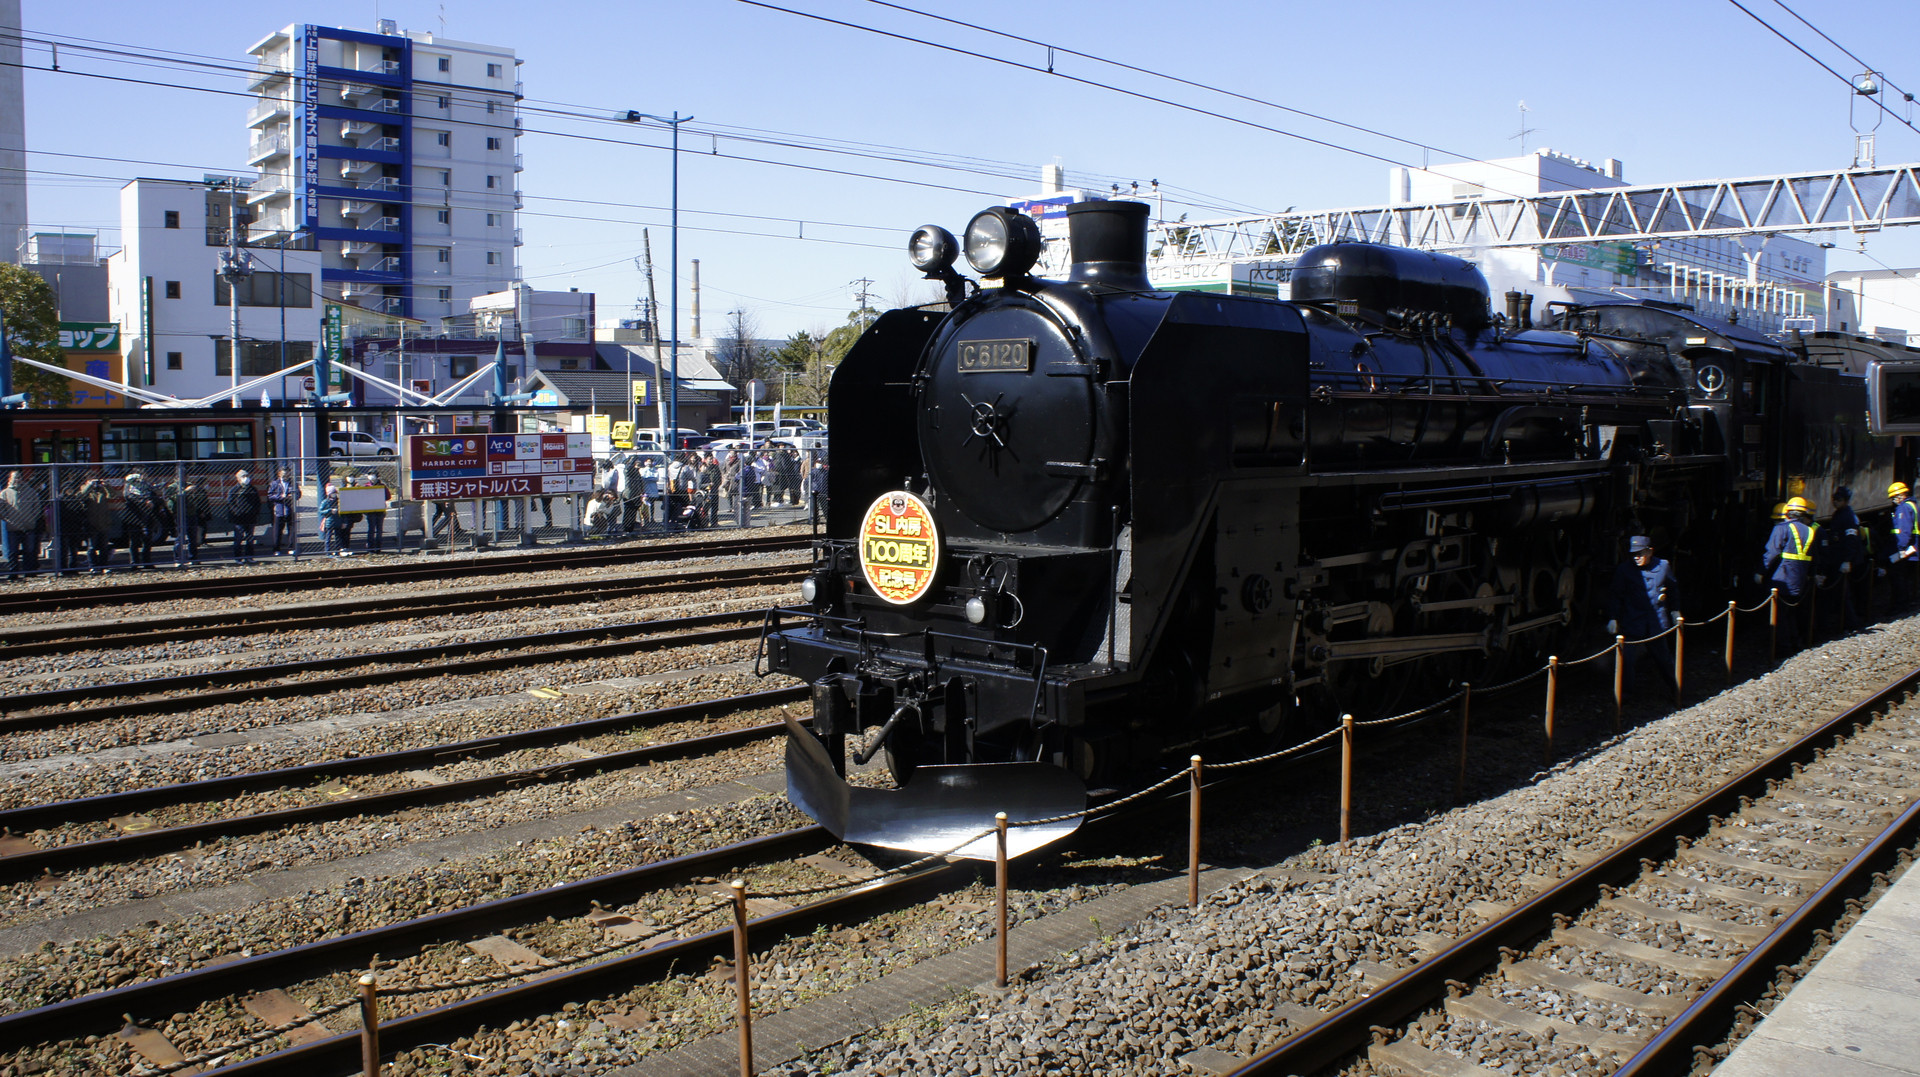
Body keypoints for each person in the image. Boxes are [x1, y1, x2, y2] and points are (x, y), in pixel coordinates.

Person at [1607, 535, 1678, 697]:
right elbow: (1616, 595)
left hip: (1655, 623)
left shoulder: (1663, 566)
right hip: (1632, 621)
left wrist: (1675, 610)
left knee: (1664, 660)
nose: (1636, 557)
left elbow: (1673, 589)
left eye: (1640, 554)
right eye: (1633, 554)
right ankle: (1625, 695)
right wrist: (1613, 617)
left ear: (1650, 552)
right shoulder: (1624, 570)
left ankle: (1675, 689)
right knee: (1627, 661)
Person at [1760, 495, 1820, 648]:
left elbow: (1772, 552)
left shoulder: (1781, 528)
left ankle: (1782, 647)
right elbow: (1815, 558)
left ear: (1787, 513)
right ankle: (1795, 642)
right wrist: (1810, 575)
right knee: (1791, 613)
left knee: (1779, 615)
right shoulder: (1810, 531)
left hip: (1781, 579)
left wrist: (1760, 572)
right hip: (1799, 580)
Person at [1819, 486, 1867, 630]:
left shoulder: (1847, 516)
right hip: (1837, 558)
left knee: (1843, 594)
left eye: (1838, 499)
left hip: (1842, 559)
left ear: (1845, 501)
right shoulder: (1839, 514)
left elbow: (1851, 540)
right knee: (1840, 593)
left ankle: (1851, 623)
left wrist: (1847, 560)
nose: (1835, 502)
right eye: (1834, 499)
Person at [0, 470, 44, 578]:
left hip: (28, 526)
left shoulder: (30, 492)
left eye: (19, 477)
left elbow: (37, 507)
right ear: (10, 479)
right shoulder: (5, 493)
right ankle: (13, 573)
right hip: (12, 527)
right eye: (14, 478)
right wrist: (7, 518)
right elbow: (1, 509)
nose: (17, 480)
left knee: (29, 551)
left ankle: (29, 572)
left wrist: (32, 518)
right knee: (13, 551)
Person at [121, 472, 163, 570]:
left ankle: (147, 562)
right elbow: (129, 497)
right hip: (134, 518)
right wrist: (144, 501)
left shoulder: (148, 488)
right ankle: (134, 563)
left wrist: (153, 501)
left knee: (147, 540)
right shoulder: (129, 489)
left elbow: (157, 498)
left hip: (147, 517)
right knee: (134, 541)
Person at [1890, 481, 1919, 612]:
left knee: (1900, 577)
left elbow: (1904, 531)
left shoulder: (1904, 508)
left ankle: (1901, 605)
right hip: (1914, 548)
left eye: (1894, 497)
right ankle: (1908, 602)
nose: (1893, 500)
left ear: (1900, 495)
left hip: (1907, 549)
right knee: (1908, 578)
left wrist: (1901, 548)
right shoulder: (1913, 505)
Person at [79, 475, 115, 572]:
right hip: (92, 523)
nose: (96, 483)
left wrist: (106, 485)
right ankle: (93, 566)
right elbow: (81, 496)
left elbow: (112, 495)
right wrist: (89, 485)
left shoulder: (103, 491)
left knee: (104, 546)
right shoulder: (85, 489)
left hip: (104, 522)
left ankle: (104, 566)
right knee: (92, 546)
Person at [227, 469, 262, 563]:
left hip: (250, 518)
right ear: (238, 479)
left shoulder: (252, 489)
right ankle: (238, 557)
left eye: (247, 476)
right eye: (243, 476)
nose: (246, 478)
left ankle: (249, 557)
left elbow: (257, 502)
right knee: (238, 539)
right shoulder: (234, 490)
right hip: (239, 519)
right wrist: (237, 512)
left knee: (250, 538)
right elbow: (230, 503)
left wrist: (255, 512)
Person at [174, 477, 212, 562]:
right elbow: (175, 499)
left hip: (192, 515)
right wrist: (186, 491)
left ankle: (193, 558)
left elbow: (199, 502)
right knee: (180, 538)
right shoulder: (173, 487)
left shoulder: (191, 486)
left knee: (193, 538)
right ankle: (178, 559)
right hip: (181, 515)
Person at [267, 468, 297, 554]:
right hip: (279, 510)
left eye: (287, 474)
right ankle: (276, 549)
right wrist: (280, 497)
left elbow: (298, 493)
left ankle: (291, 548)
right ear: (279, 474)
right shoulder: (274, 483)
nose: (285, 476)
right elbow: (270, 495)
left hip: (289, 509)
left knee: (291, 529)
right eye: (283, 474)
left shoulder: (292, 483)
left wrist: (292, 496)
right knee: (278, 531)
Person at [361, 472, 391, 553]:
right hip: (370, 510)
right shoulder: (366, 486)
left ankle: (378, 548)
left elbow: (388, 497)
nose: (371, 476)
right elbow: (363, 497)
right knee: (371, 529)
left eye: (373, 474)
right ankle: (370, 548)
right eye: (370, 475)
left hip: (380, 510)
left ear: (377, 476)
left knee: (379, 530)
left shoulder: (382, 486)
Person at [317, 482, 340, 555]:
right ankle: (328, 551)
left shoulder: (338, 501)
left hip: (337, 521)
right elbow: (321, 511)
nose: (334, 495)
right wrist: (330, 511)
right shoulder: (325, 502)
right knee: (328, 537)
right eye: (333, 493)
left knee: (338, 537)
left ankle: (337, 551)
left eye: (335, 493)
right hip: (329, 521)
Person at [807, 454, 829, 527]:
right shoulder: (813, 472)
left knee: (824, 507)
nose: (819, 464)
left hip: (823, 492)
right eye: (818, 462)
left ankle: (827, 518)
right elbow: (807, 480)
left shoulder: (825, 472)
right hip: (815, 492)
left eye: (820, 462)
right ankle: (816, 520)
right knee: (815, 507)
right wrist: (810, 488)